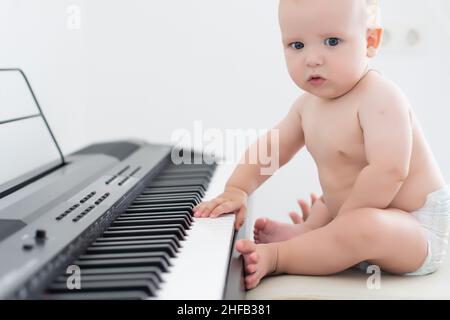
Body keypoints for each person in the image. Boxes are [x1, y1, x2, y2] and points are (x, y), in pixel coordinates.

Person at [192, 0, 450, 290]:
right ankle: (309, 235)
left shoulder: (381, 97)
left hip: (415, 229)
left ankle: (282, 255)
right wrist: (237, 188)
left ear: (369, 40)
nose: (312, 59)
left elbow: (388, 172)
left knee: (363, 225)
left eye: (332, 41)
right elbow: (272, 148)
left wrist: (335, 230)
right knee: (326, 201)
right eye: (297, 45)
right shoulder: (307, 107)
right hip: (354, 213)